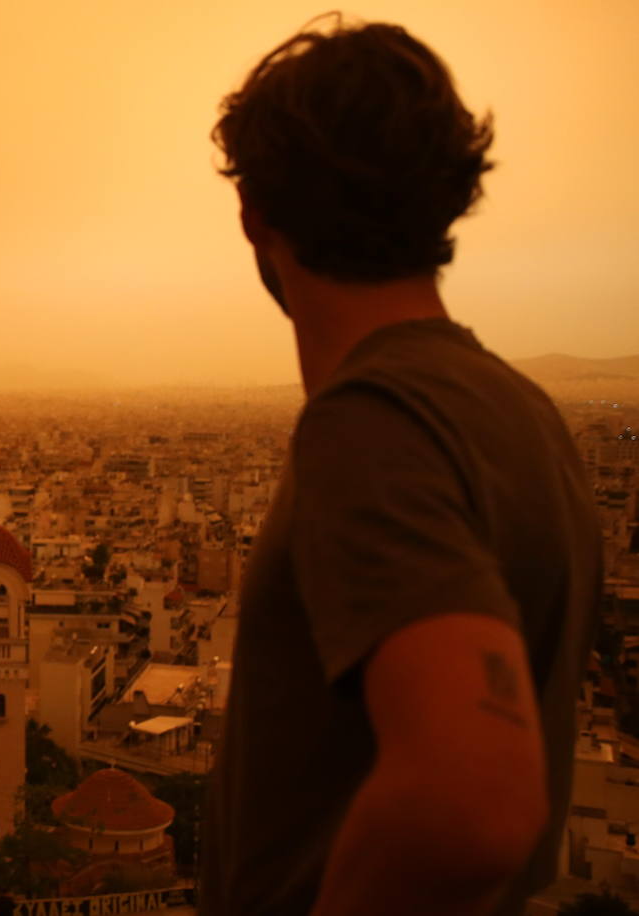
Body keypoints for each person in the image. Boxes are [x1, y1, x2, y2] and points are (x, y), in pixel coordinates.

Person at [201, 14, 601, 916]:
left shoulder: (370, 422)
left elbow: (474, 803)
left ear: (253, 212)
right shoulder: (523, 414)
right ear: (447, 202)